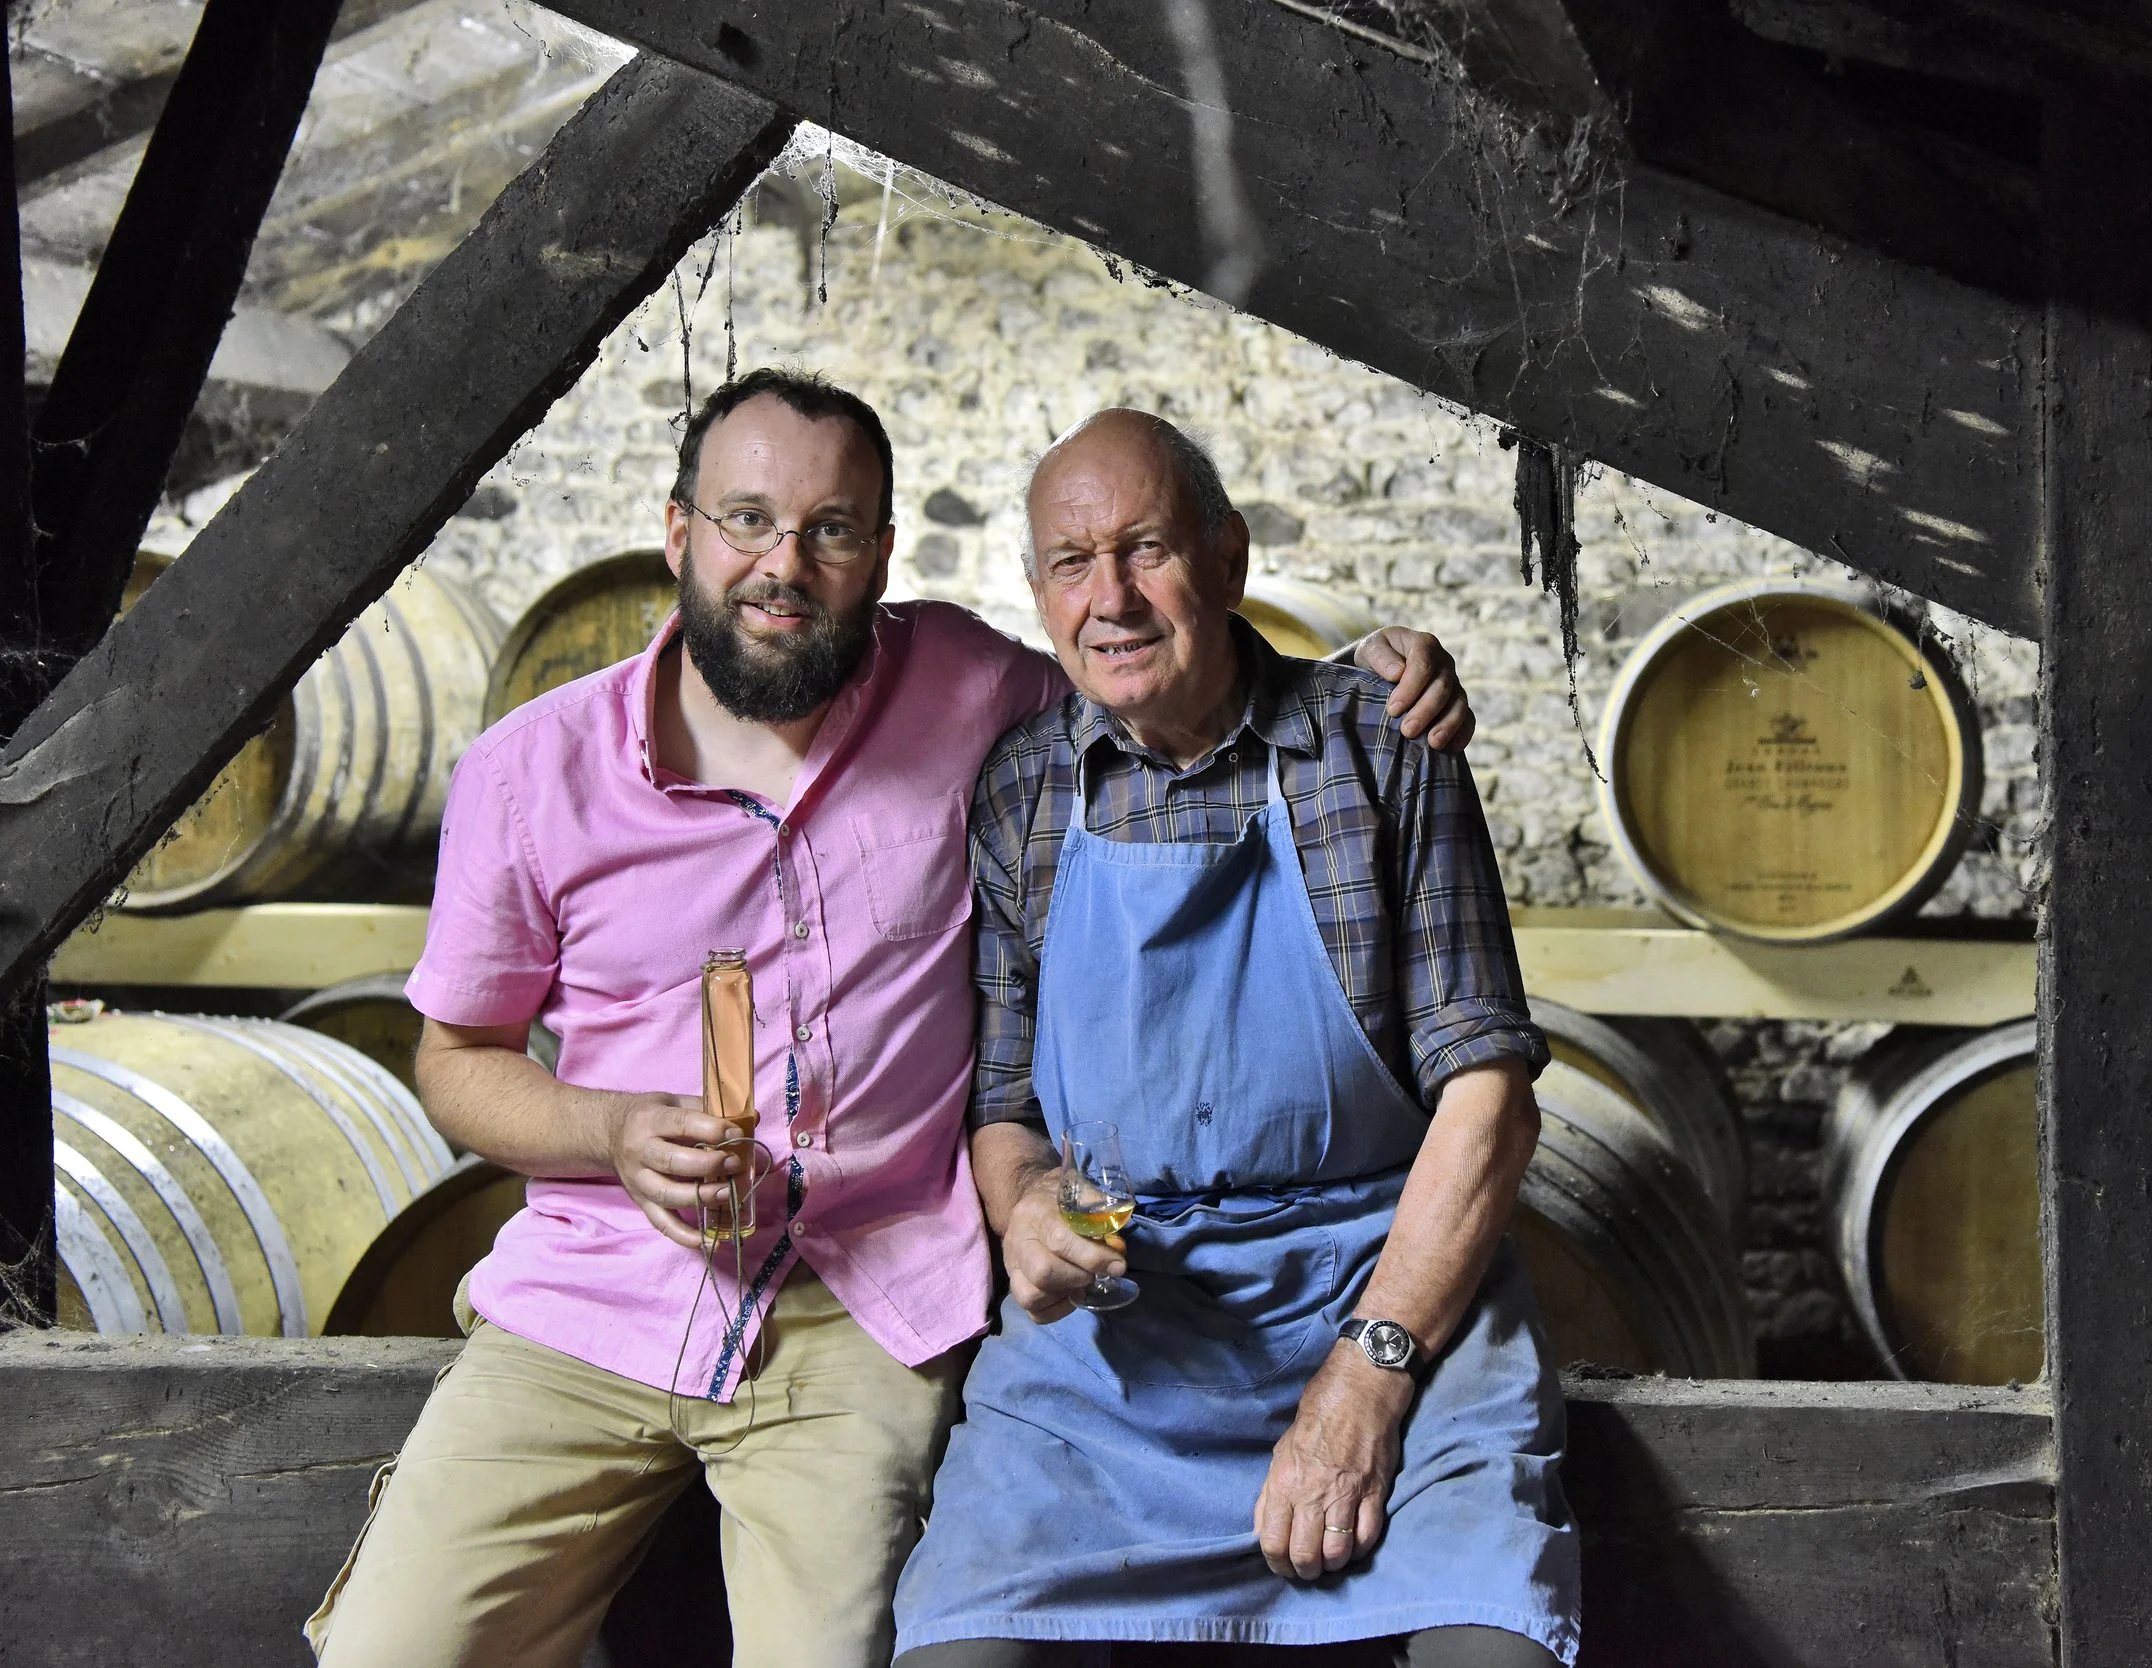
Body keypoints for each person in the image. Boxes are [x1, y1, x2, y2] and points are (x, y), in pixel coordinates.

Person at [303, 370, 1476, 1668]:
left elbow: (1157, 664)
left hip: (864, 1310)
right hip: (593, 1303)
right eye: (747, 520)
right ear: (680, 530)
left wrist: (1360, 684)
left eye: (832, 530)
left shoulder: (982, 695)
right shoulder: (527, 772)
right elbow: (457, 1060)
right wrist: (612, 1127)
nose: (783, 565)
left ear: (882, 554)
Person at [891, 410, 1575, 1668]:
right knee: (957, 1654)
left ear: (1227, 559)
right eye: (1068, 562)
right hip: (1119, 1338)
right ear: (1037, 591)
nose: (1110, 597)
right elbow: (1006, 1109)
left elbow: (1490, 1099)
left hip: (1383, 1301)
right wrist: (1035, 1211)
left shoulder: (1380, 745)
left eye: (1144, 548)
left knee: (1496, 1654)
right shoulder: (1024, 787)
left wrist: (1368, 1377)